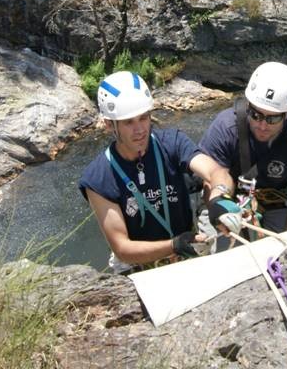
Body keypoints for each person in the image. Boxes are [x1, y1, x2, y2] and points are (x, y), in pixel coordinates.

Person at [78, 70, 234, 273]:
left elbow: (215, 171)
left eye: (144, 118)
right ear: (109, 125)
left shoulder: (172, 143)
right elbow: (122, 248)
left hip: (186, 247)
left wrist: (218, 199)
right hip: (139, 264)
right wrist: (173, 245)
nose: (140, 129)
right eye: (128, 122)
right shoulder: (98, 178)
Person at [198, 62, 287, 235]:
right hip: (227, 196)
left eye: (272, 119)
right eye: (256, 115)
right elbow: (210, 178)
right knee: (214, 239)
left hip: (276, 200)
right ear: (248, 106)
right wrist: (220, 207)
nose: (262, 125)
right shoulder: (225, 127)